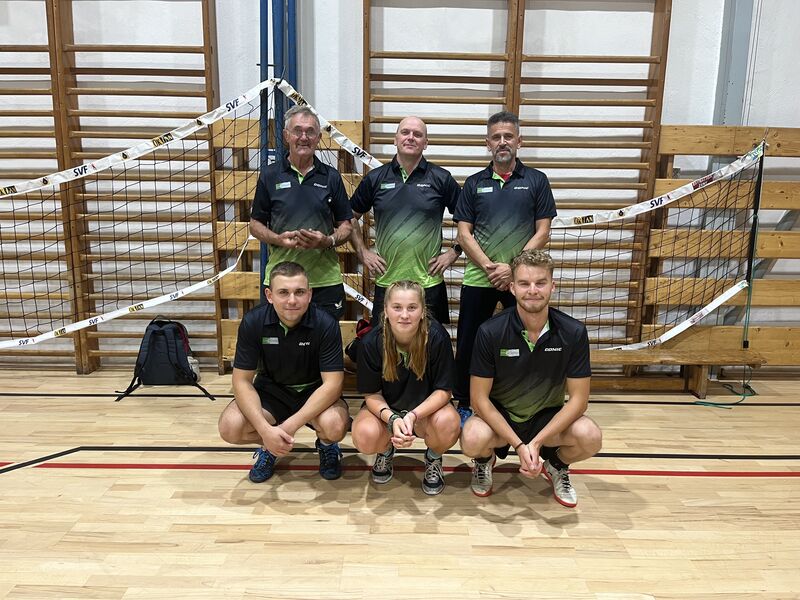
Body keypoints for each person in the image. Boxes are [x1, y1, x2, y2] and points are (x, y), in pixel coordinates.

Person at [459, 250, 602, 507]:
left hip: (546, 419)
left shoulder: (573, 332)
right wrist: (518, 445)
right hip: (503, 418)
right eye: (524, 283)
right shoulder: (490, 331)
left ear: (552, 286)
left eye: (540, 283)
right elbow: (478, 400)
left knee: (590, 436)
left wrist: (535, 443)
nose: (533, 290)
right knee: (471, 438)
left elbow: (579, 401)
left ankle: (556, 464)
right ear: (512, 288)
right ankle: (484, 460)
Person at [453, 111, 557, 424]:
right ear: (487, 143)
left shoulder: (536, 180)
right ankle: (465, 402)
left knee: (526, 340)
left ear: (519, 141)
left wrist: (514, 270)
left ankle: (525, 399)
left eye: (508, 136)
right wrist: (489, 267)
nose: (502, 142)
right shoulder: (474, 184)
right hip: (479, 278)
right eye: (496, 137)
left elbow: (543, 231)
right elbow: (463, 234)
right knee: (469, 343)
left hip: (522, 282)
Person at [218, 261, 350, 482]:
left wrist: (288, 426)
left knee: (335, 426)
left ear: (310, 294)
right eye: (283, 292)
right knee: (230, 427)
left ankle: (327, 445)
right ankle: (269, 446)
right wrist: (265, 430)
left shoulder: (325, 323)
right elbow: (241, 381)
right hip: (272, 392)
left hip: (314, 392)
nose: (292, 300)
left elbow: (333, 384)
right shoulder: (254, 321)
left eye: (299, 292)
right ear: (269, 295)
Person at [351, 280, 460, 495]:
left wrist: (413, 415)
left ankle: (433, 457)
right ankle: (385, 450)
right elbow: (372, 394)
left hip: (424, 413)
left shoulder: (437, 337)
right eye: (397, 307)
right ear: (386, 310)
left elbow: (444, 391)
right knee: (364, 435)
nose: (404, 315)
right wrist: (392, 419)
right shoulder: (371, 342)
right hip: (387, 411)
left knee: (449, 422)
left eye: (412, 307)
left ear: (422, 311)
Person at [349, 116, 461, 325]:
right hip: (387, 282)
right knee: (385, 343)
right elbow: (349, 218)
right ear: (395, 139)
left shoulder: (441, 178)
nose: (411, 137)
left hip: (429, 283)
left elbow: (468, 220)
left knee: (431, 344)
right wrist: (362, 252)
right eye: (405, 132)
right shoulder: (375, 178)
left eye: (417, 134)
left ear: (425, 143)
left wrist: (453, 252)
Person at [250, 105, 353, 320]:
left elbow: (346, 225)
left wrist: (328, 241)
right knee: (280, 340)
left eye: (310, 132)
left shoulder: (331, 177)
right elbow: (255, 225)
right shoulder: (270, 175)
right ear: (286, 135)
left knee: (326, 339)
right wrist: (277, 239)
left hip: (324, 281)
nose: (304, 137)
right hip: (282, 281)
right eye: (297, 131)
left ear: (318, 138)